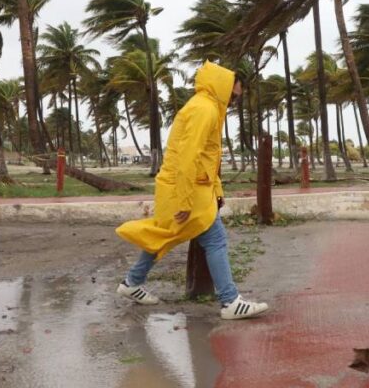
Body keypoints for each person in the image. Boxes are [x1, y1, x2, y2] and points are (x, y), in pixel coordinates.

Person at [115, 61, 269, 320]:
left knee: (164, 235)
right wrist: (186, 201)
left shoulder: (206, 107)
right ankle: (230, 301)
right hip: (184, 189)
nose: (233, 102)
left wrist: (217, 191)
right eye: (234, 96)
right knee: (214, 239)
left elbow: (209, 157)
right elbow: (188, 157)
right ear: (224, 88)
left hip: (188, 187)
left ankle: (131, 283)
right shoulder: (205, 110)